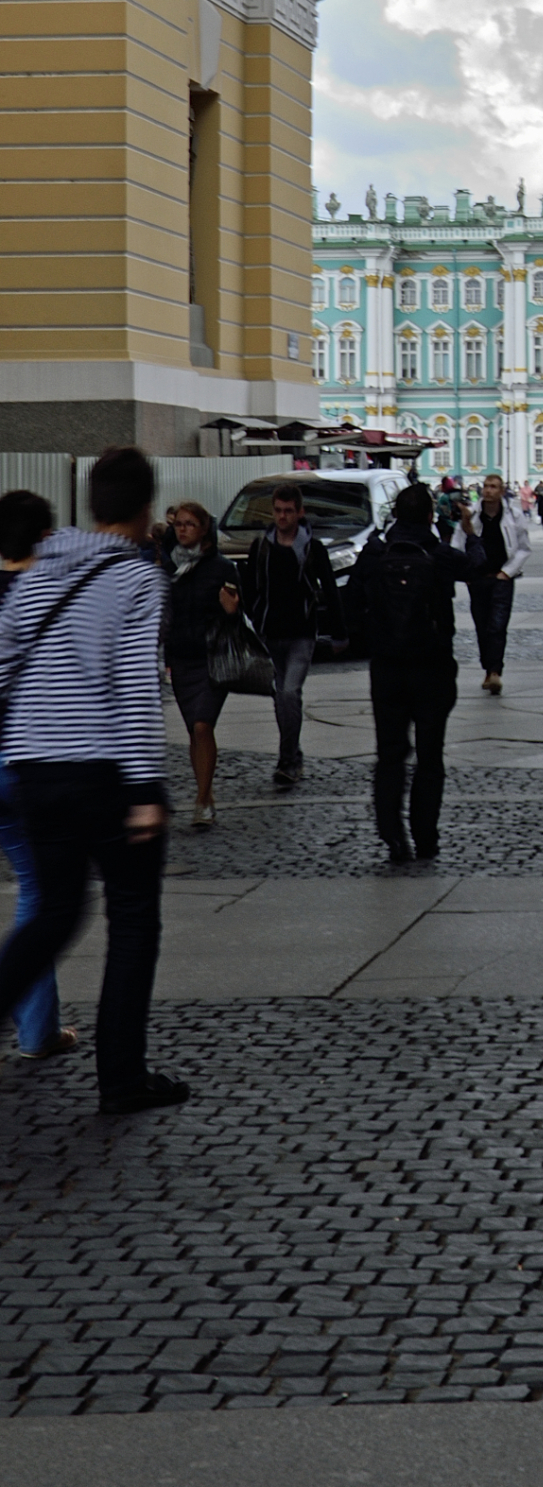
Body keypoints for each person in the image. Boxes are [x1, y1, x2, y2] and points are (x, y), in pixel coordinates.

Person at [0, 446, 187, 1114]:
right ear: (145, 508)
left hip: (34, 772)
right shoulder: (137, 578)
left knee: (54, 912)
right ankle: (122, 1076)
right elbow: (136, 685)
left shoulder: (38, 572)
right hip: (104, 774)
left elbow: (3, 666)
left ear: (90, 502)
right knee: (133, 920)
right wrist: (145, 789)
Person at [346, 482, 483, 865]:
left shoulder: (376, 552)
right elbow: (478, 567)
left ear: (395, 515)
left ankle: (391, 831)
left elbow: (352, 603)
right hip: (432, 666)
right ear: (429, 515)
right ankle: (426, 836)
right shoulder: (438, 554)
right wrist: (470, 534)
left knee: (390, 753)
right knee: (430, 755)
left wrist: (373, 635)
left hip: (387, 668)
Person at [0, 490, 78, 1067]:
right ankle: (36, 1030)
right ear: (46, 536)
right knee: (39, 893)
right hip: (26, 762)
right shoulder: (49, 594)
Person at [237, 483, 344, 789]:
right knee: (280, 697)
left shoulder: (312, 548)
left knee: (288, 693)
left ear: (300, 512)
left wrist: (340, 633)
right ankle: (293, 753)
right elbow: (251, 586)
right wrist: (255, 615)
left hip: (301, 634)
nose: (282, 516)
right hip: (270, 633)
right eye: (278, 511)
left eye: (288, 511)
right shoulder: (262, 547)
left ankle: (288, 761)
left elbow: (330, 589)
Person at [160, 501, 246, 828]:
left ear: (203, 529)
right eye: (179, 524)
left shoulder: (222, 568)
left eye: (190, 524)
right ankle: (205, 793)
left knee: (202, 725)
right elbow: (166, 617)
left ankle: (202, 800)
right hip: (182, 658)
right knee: (193, 732)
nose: (183, 529)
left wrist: (232, 610)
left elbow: (239, 616)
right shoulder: (169, 569)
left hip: (212, 659)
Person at [461, 471, 530, 695]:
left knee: (498, 626)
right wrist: (467, 574)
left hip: (502, 578)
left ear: (501, 491)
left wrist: (508, 572)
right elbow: (459, 544)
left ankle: (495, 672)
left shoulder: (514, 515)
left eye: (493, 486)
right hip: (478, 579)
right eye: (486, 486)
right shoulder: (471, 515)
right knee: (482, 626)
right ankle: (488, 668)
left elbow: (523, 548)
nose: (488, 490)